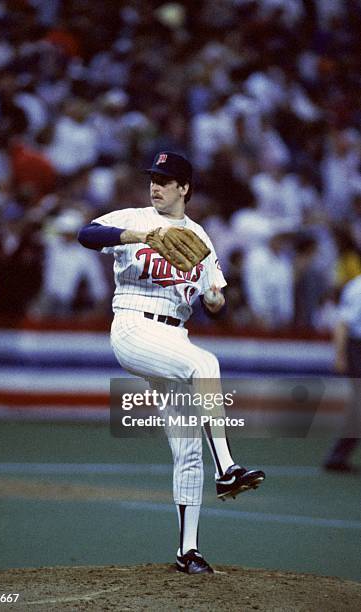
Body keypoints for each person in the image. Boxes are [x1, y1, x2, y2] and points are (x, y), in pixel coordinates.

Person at [78, 151, 265, 574]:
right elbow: (85, 234)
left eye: (165, 179)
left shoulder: (199, 237)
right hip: (132, 327)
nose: (155, 186)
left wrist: (215, 299)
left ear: (185, 188)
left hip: (173, 336)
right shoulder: (135, 218)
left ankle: (188, 551)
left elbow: (214, 295)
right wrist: (136, 237)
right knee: (206, 365)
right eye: (153, 178)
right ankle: (229, 468)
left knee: (186, 449)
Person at [323, 273, 361, 473]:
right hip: (356, 347)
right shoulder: (358, 288)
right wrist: (340, 355)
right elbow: (342, 324)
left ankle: (338, 456)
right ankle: (338, 456)